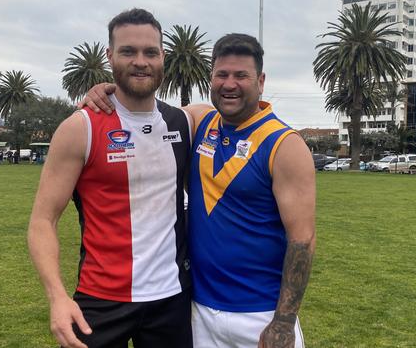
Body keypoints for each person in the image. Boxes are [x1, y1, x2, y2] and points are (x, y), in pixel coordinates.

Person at [82, 33, 316, 348]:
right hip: (198, 311)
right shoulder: (201, 121)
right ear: (211, 79)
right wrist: (107, 90)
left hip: (259, 315)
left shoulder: (285, 145)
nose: (229, 84)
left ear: (260, 81)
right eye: (221, 75)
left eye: (241, 76)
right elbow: (142, 105)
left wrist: (284, 323)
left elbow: (302, 240)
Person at [27, 8, 193, 348]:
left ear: (163, 56)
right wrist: (57, 298)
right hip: (100, 299)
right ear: (109, 55)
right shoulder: (80, 128)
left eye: (150, 52)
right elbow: (43, 220)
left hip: (172, 298)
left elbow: (241, 109)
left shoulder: (184, 123)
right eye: (128, 51)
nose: (140, 61)